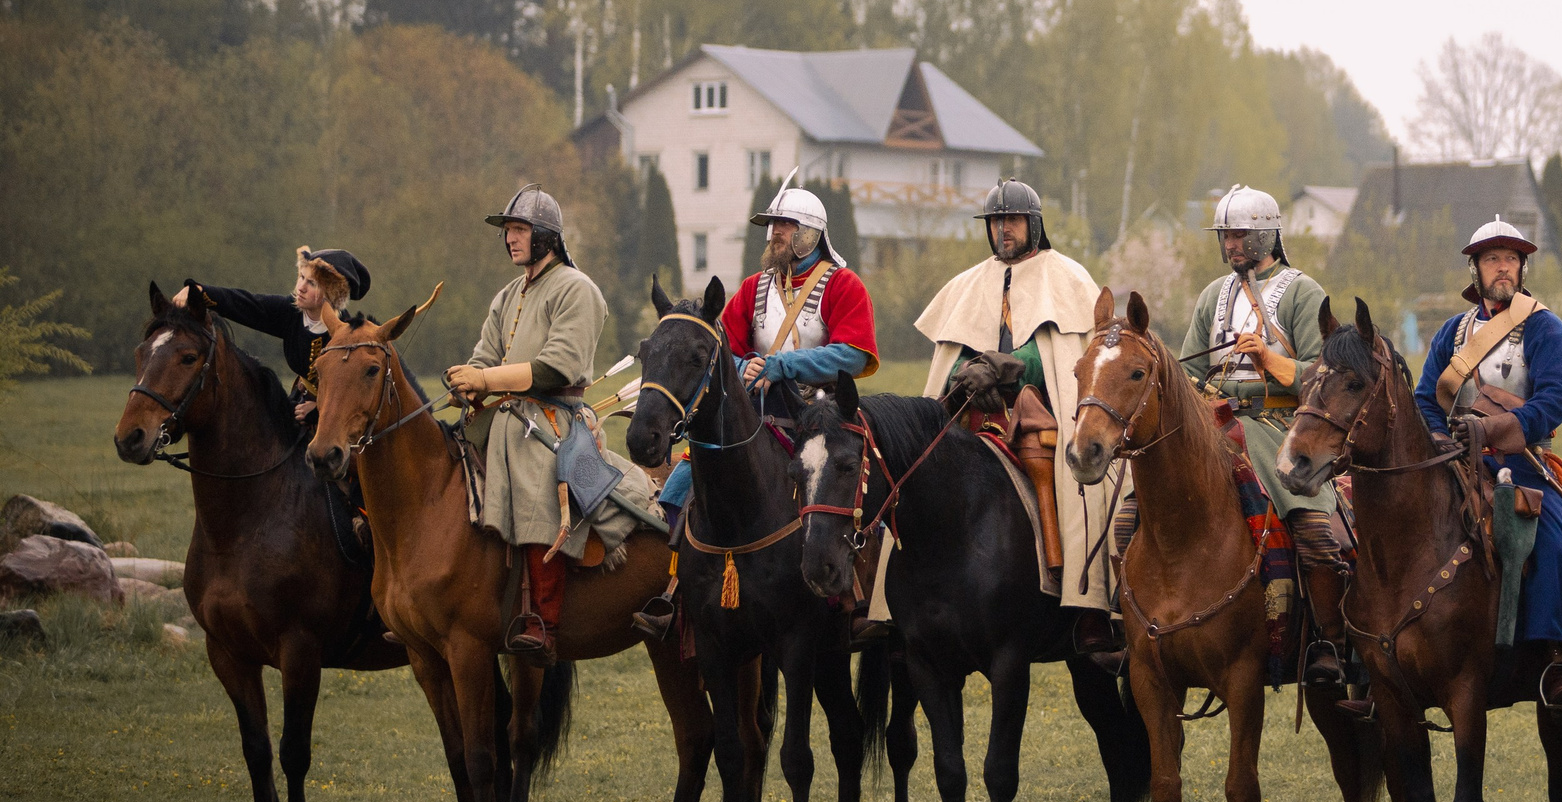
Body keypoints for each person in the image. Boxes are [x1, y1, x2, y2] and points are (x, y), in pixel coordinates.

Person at [635, 172, 878, 641]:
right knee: (684, 481)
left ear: (810, 232)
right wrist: (746, 364)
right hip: (756, 412)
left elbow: (854, 354)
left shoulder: (843, 285)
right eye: (771, 226)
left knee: (846, 489)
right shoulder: (753, 288)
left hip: (820, 415)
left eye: (784, 225)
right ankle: (675, 588)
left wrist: (781, 364)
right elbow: (724, 349)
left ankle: (857, 597)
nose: (774, 235)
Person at [913, 179, 1120, 664]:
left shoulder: (1065, 276)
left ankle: (1089, 605)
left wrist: (1005, 365)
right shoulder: (969, 283)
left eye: (1012, 220)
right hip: (973, 410)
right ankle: (890, 602)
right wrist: (969, 369)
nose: (1003, 230)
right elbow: (955, 349)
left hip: (1040, 410)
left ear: (1033, 224)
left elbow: (1054, 352)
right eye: (996, 222)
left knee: (1085, 485)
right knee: (910, 472)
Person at [1414, 216, 1562, 707]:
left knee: (1552, 536)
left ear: (1522, 268)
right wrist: (1438, 439)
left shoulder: (1545, 327)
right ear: (1475, 268)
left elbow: (1553, 402)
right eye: (1493, 258)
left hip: (1523, 462)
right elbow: (1425, 397)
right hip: (1452, 460)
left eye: (1511, 259)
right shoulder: (1452, 332)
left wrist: (1489, 429)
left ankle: (1559, 656)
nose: (1503, 268)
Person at [1174, 185, 1350, 691]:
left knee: (1312, 527)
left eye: (1239, 235)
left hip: (1279, 425)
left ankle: (1325, 641)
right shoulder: (1212, 295)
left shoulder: (1302, 291)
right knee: (1137, 504)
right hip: (1214, 423)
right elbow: (1192, 369)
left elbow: (1326, 373)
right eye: (1225, 236)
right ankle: (1131, 624)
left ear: (1266, 234)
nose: (1230, 245)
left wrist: (1268, 360)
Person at [442, 184, 614, 665]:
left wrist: (486, 377)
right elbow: (485, 356)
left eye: (519, 230)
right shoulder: (507, 295)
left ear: (546, 237)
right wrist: (468, 382)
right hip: (505, 416)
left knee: (540, 487)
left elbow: (556, 366)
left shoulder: (578, 289)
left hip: (555, 419)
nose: (510, 239)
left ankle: (542, 619)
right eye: (508, 231)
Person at [176, 246, 377, 560]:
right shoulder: (289, 313)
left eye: (311, 283)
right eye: (300, 277)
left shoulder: (350, 333)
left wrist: (319, 409)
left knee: (355, 475)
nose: (300, 286)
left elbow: (354, 387)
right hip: (296, 405)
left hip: (341, 419)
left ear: (331, 295)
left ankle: (367, 538)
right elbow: (247, 304)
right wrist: (199, 292)